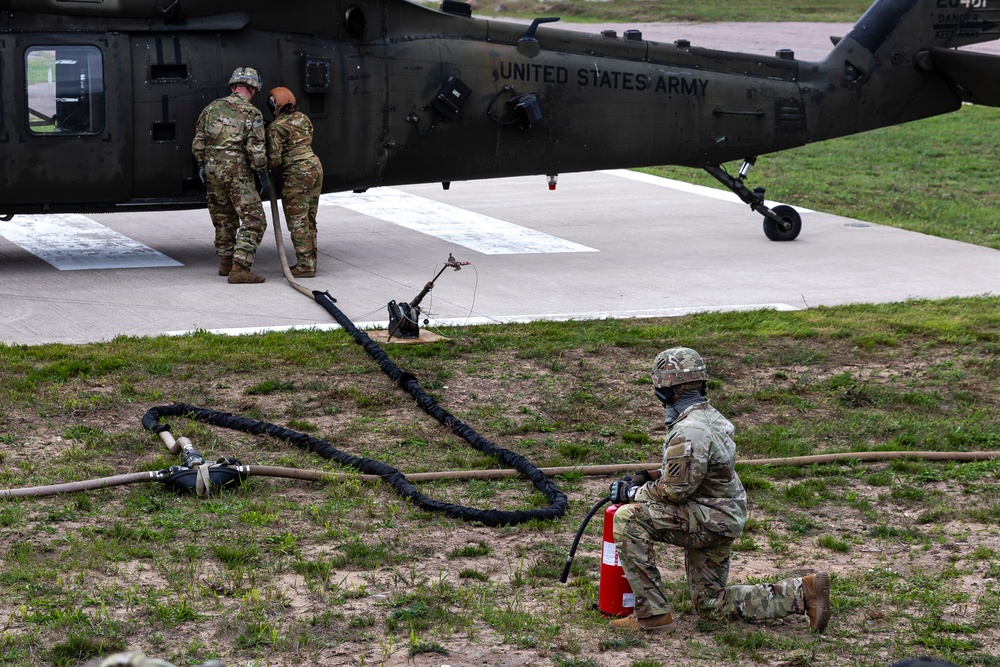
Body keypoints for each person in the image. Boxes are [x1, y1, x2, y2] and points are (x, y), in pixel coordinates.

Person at [608, 346, 831, 633]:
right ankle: (804, 592)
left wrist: (631, 493)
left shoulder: (688, 430)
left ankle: (652, 616)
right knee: (711, 606)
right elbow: (698, 470)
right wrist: (647, 475)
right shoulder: (713, 419)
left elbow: (674, 492)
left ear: (666, 391)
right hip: (723, 515)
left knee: (628, 518)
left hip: (706, 519)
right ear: (700, 383)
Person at [192, 66, 272, 284]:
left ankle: (225, 264)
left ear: (234, 86)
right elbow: (256, 152)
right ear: (253, 89)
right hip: (237, 171)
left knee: (224, 218)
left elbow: (198, 143)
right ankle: (240, 268)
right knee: (255, 220)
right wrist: (264, 177)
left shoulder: (211, 108)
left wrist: (203, 166)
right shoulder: (251, 113)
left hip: (212, 170)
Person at [265, 86, 324, 278]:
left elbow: (275, 160)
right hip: (315, 167)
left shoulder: (276, 127)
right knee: (309, 217)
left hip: (297, 173)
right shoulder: (303, 118)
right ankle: (311, 260)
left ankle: (305, 266)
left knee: (297, 219)